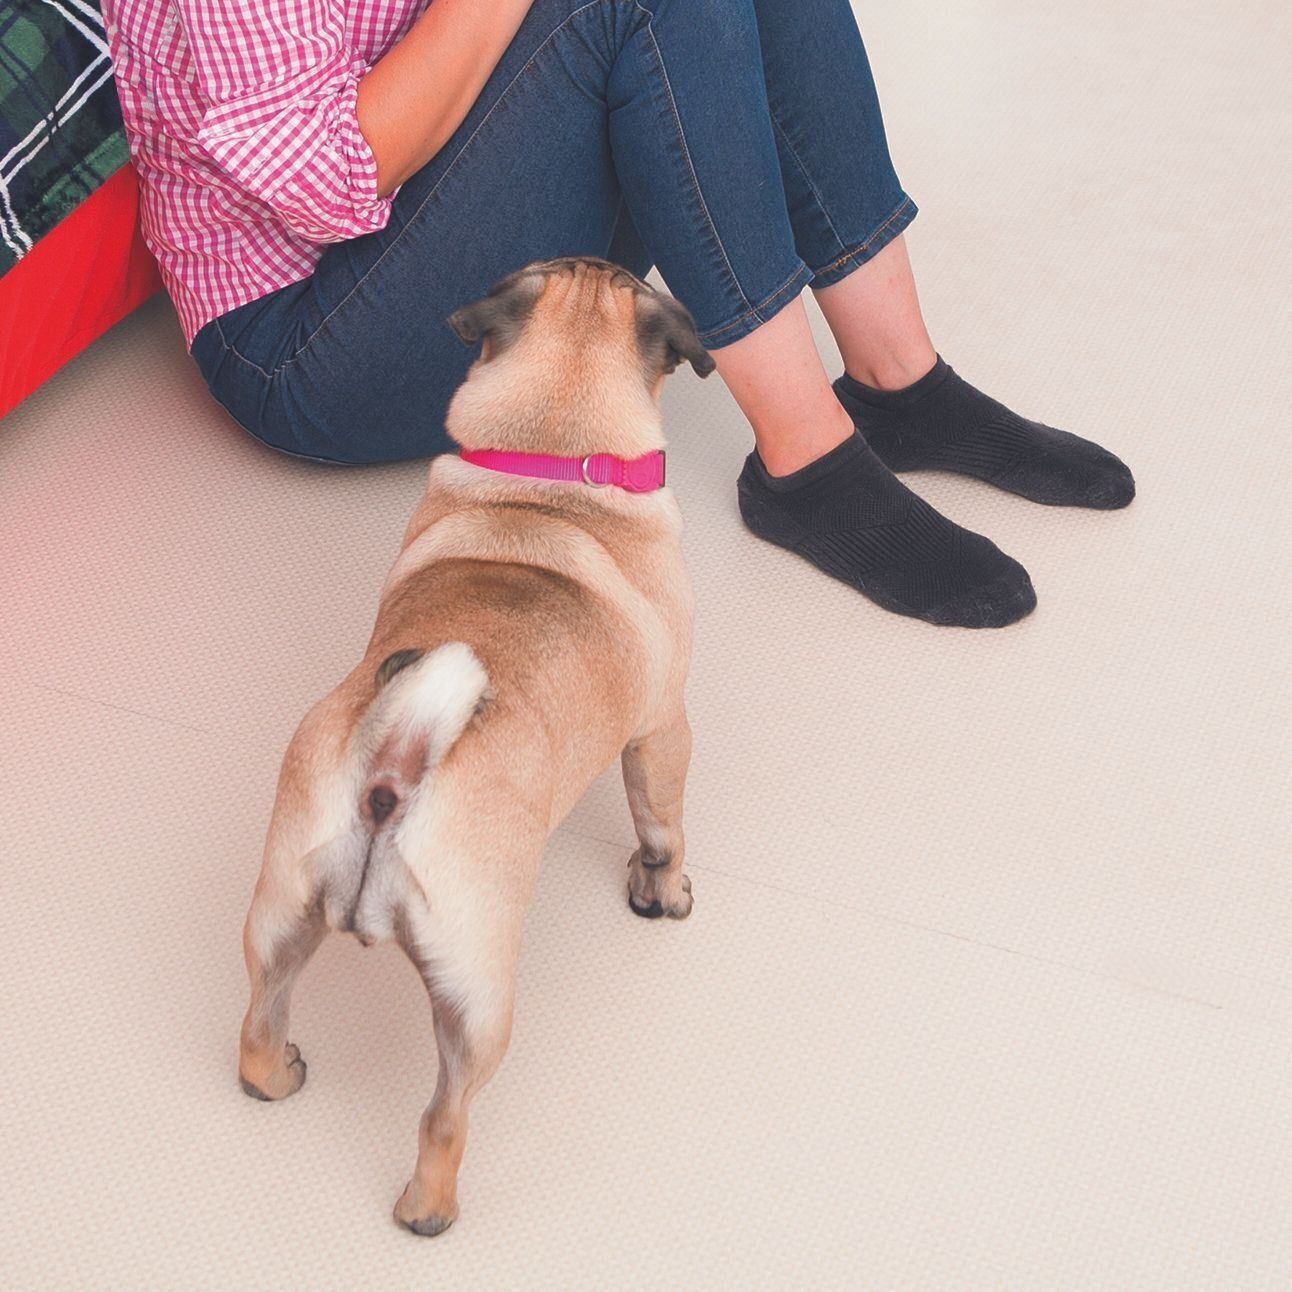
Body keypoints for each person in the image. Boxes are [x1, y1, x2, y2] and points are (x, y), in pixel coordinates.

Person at [102, 0, 1134, 628]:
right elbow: (327, 182)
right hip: (302, 330)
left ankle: (898, 383)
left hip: (436, 190)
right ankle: (806, 466)